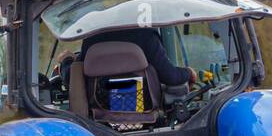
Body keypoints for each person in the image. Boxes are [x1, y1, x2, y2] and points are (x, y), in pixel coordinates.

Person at [60, 27, 197, 88]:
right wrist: (188, 73)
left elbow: (72, 79)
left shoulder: (92, 39)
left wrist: (67, 61)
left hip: (99, 119)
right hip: (148, 116)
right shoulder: (147, 36)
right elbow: (170, 76)